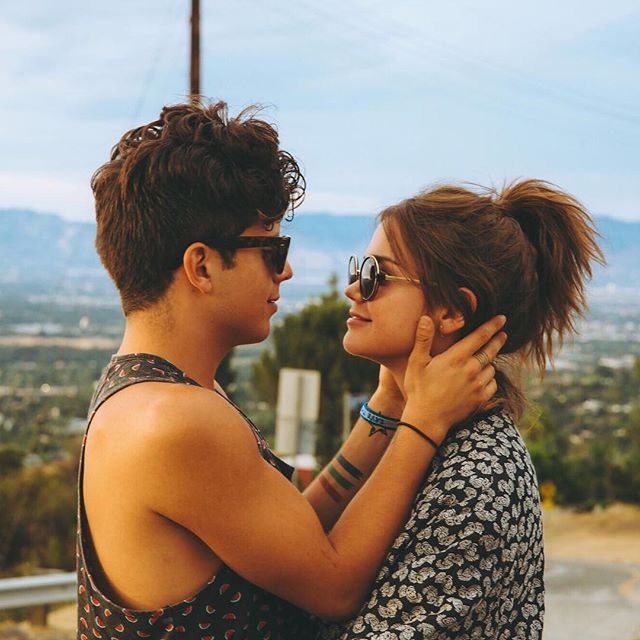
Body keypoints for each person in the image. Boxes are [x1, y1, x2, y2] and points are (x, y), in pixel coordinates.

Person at [76, 100, 506, 640]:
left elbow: (295, 535)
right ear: (202, 266)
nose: (287, 268)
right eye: (272, 248)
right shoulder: (176, 422)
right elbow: (333, 583)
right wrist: (424, 422)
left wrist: (388, 409)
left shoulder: (148, 396)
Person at [318, 180, 604, 640]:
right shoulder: (418, 436)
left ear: (452, 311)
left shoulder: (480, 473)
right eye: (359, 268)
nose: (354, 289)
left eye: (377, 275)